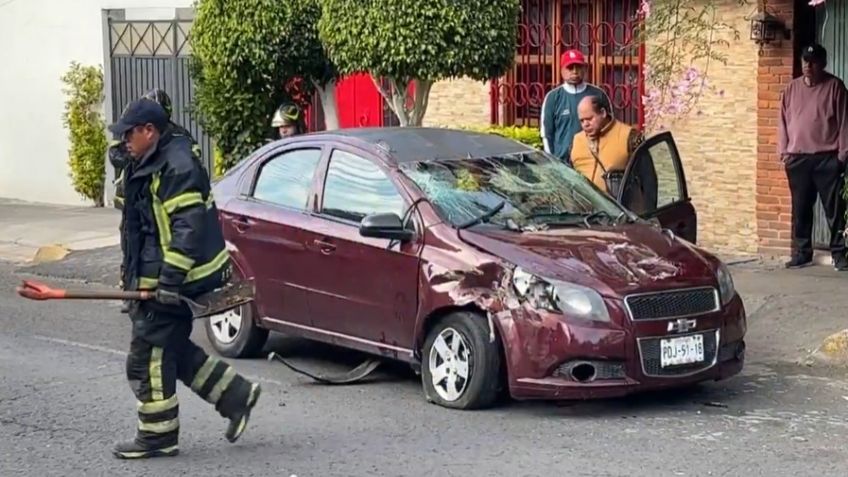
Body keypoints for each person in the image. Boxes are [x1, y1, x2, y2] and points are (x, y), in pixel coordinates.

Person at [107, 98, 260, 459]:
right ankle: (236, 395)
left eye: (129, 134)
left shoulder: (176, 166)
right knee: (172, 348)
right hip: (154, 275)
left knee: (148, 358)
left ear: (150, 131)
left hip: (178, 277)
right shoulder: (148, 160)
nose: (124, 141)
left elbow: (187, 229)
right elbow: (135, 219)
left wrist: (169, 282)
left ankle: (158, 437)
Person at [109, 88, 201, 311]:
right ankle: (130, 291)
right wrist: (128, 154)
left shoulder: (179, 136)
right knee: (130, 243)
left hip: (160, 201)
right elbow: (115, 153)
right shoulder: (134, 133)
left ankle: (156, 289)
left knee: (160, 244)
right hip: (133, 200)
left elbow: (194, 155)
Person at [778, 43, 848, 270]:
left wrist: (842, 155)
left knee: (834, 210)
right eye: (805, 61)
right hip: (798, 159)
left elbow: (845, 122)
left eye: (813, 61)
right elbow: (782, 122)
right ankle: (802, 253)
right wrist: (784, 151)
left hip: (827, 158)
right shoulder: (791, 89)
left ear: (823, 64)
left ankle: (839, 254)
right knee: (801, 209)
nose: (808, 66)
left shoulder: (835, 87)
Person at [569, 95, 656, 213]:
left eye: (589, 119)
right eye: (582, 120)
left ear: (603, 113)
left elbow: (648, 179)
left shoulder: (629, 137)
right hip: (584, 215)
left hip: (621, 214)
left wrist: (649, 214)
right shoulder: (577, 140)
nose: (585, 124)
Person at [540, 49, 611, 165]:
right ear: (562, 70)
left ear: (585, 69)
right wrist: (553, 162)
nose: (574, 71)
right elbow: (547, 134)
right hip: (563, 165)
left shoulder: (598, 94)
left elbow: (609, 127)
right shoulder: (552, 98)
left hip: (594, 162)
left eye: (578, 67)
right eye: (570, 68)